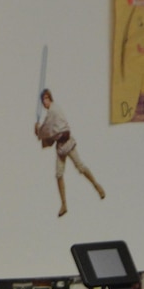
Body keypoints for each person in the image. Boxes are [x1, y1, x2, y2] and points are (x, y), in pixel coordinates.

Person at [34, 88, 105, 217]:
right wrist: (39, 130)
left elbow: (47, 128)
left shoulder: (54, 110)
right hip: (60, 147)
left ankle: (97, 186)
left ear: (50, 98)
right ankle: (64, 204)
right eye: (43, 100)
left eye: (46, 98)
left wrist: (38, 130)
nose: (45, 102)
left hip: (67, 143)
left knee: (80, 167)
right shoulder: (50, 112)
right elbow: (49, 130)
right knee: (59, 174)